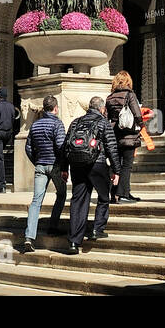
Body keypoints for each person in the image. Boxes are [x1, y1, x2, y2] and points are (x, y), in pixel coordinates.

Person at [64, 96, 120, 255]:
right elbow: (111, 147)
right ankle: (97, 228)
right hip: (97, 164)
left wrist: (63, 167)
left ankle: (74, 242)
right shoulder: (103, 122)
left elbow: (66, 145)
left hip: (77, 165)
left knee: (79, 201)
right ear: (102, 109)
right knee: (103, 196)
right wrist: (117, 170)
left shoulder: (76, 122)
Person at [21, 94, 66, 253]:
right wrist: (63, 166)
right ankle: (53, 226)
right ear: (55, 108)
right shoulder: (57, 124)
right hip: (55, 165)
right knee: (61, 194)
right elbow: (61, 147)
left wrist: (37, 161)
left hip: (40, 165)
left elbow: (27, 148)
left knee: (36, 201)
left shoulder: (35, 125)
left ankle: (29, 237)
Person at [105, 71, 145, 203]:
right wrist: (142, 126)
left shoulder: (110, 97)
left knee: (115, 165)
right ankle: (122, 194)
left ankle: (115, 193)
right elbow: (137, 114)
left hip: (114, 135)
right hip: (129, 135)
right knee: (127, 166)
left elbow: (105, 118)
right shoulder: (130, 95)